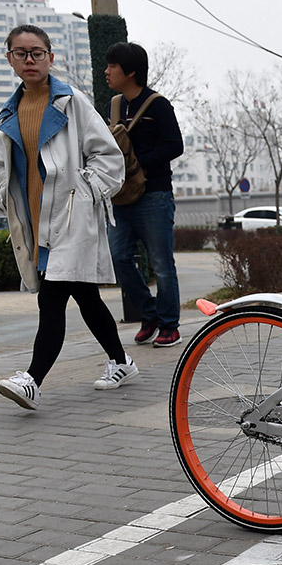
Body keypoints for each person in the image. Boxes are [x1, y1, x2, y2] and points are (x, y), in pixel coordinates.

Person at [0, 24, 137, 411]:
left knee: (51, 299)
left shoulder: (71, 102)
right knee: (86, 298)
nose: (30, 59)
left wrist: (86, 191)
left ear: (50, 57)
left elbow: (108, 155)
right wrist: (5, 194)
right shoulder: (8, 113)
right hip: (35, 220)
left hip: (71, 216)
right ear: (9, 59)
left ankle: (32, 380)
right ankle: (121, 361)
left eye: (37, 52)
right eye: (20, 53)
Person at [104, 42, 185, 347]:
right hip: (122, 196)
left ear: (131, 71)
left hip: (154, 195)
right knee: (119, 258)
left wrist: (138, 163)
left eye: (112, 66)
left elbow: (175, 145)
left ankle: (169, 325)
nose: (106, 71)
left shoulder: (158, 105)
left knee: (162, 264)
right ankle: (149, 313)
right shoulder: (114, 106)